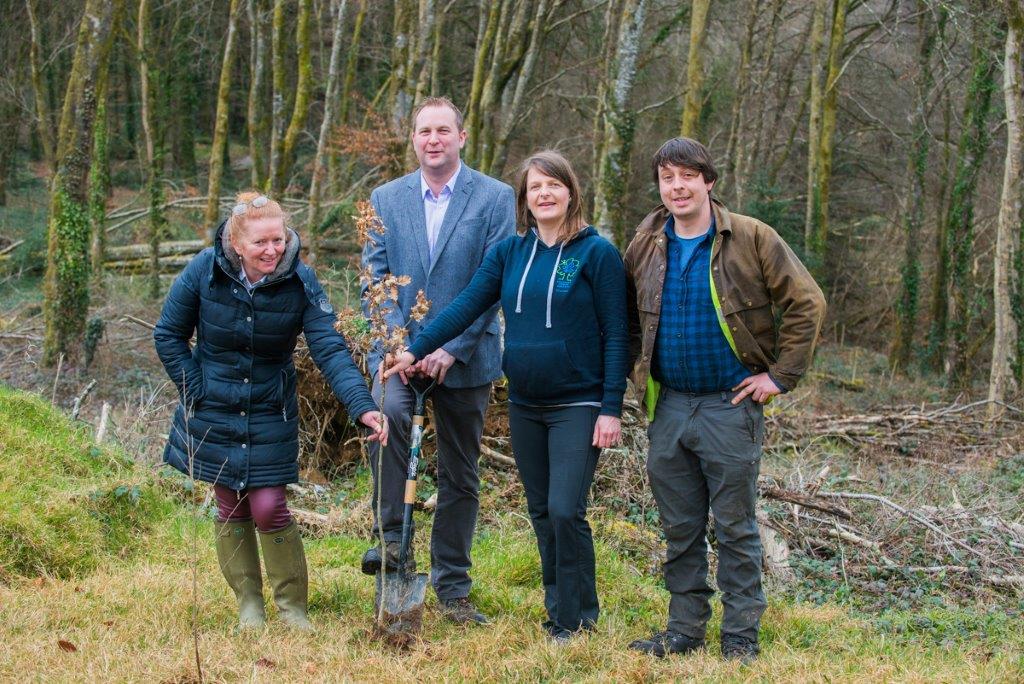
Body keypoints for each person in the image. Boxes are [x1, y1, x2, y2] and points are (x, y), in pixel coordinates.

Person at [385, 150, 629, 642]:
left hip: (578, 404)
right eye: (535, 186)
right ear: (524, 198)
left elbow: (617, 335)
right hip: (525, 403)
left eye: (553, 185)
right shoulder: (510, 254)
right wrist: (413, 350)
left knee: (566, 509)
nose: (544, 193)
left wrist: (610, 407)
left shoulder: (596, 254)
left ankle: (579, 617)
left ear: (570, 191)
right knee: (541, 511)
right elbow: (464, 307)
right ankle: (559, 610)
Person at [623, 138, 826, 661]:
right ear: (660, 187)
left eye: (688, 176)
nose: (678, 187)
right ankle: (684, 631)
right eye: (667, 178)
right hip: (668, 405)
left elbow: (807, 302)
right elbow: (623, 318)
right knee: (679, 527)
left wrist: (779, 377)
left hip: (729, 406)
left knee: (735, 527)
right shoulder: (646, 242)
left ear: (709, 181)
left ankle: (740, 637)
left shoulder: (751, 237)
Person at [154, 191, 387, 631]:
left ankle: (292, 609)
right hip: (212, 407)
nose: (272, 250)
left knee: (268, 506)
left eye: (278, 240)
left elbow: (331, 349)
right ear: (237, 244)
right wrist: (195, 388)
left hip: (268, 410)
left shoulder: (300, 280)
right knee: (230, 504)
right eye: (261, 242)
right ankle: (249, 605)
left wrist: (363, 406)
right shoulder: (204, 270)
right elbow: (168, 334)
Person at [360, 96, 515, 625]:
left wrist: (451, 347)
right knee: (389, 420)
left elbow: (495, 282)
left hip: (466, 360)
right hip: (399, 357)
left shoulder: (496, 198)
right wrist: (401, 348)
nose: (433, 140)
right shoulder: (385, 198)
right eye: (424, 131)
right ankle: (392, 550)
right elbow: (374, 281)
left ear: (461, 137)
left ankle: (453, 587)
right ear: (414, 139)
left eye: (443, 130)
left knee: (460, 473)